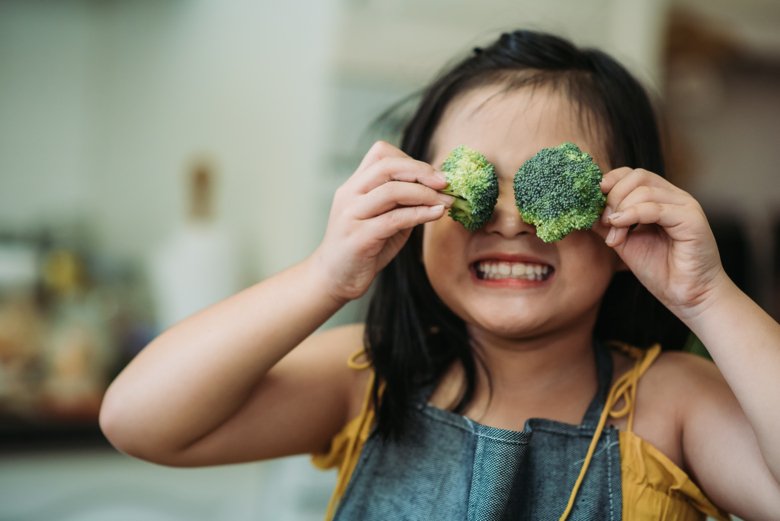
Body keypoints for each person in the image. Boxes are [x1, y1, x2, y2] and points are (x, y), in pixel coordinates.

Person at [99, 30, 780, 520]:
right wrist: (323, 278)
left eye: (550, 190)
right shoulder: (368, 375)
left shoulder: (675, 402)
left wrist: (707, 296)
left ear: (626, 218)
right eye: (472, 186)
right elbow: (138, 420)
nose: (509, 220)